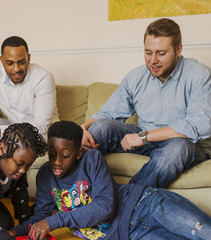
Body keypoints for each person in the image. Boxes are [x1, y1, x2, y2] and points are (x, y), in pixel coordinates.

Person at [13, 120, 211, 240]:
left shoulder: (91, 158)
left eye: (65, 155)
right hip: (130, 235)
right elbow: (40, 216)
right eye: (52, 153)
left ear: (79, 152)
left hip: (145, 204)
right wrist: (14, 232)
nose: (57, 162)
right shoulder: (46, 175)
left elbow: (105, 206)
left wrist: (55, 220)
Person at [81, 18, 211, 188]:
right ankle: (79, 194)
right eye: (148, 52)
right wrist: (83, 128)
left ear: (178, 50)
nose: (153, 60)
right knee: (100, 128)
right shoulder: (135, 77)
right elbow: (108, 113)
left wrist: (144, 137)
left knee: (177, 148)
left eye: (161, 53)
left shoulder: (198, 74)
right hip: (144, 139)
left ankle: (125, 199)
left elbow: (200, 124)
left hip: (186, 145)